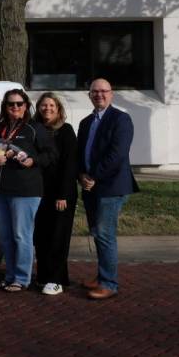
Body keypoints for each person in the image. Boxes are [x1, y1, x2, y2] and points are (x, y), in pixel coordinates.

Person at [77, 78, 139, 300]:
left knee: (105, 235)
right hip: (90, 187)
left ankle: (109, 283)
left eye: (104, 91)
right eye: (95, 91)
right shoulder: (85, 122)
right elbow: (80, 154)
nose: (99, 94)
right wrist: (81, 175)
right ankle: (102, 275)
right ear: (89, 95)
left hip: (110, 187)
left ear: (112, 94)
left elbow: (117, 155)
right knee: (97, 233)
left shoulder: (121, 119)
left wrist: (93, 176)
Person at [0, 89, 56, 292]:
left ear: (26, 106)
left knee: (21, 235)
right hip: (1, 190)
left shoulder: (34, 128)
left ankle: (21, 278)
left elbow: (51, 154)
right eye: (11, 104)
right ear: (5, 107)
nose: (15, 107)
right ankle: (10, 276)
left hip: (25, 190)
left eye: (19, 104)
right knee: (6, 237)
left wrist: (32, 160)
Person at [33, 92, 77, 295]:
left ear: (58, 109)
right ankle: (43, 276)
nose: (47, 109)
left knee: (58, 236)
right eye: (43, 105)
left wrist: (63, 195)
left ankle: (56, 279)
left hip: (60, 193)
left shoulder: (66, 131)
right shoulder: (34, 130)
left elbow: (70, 165)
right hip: (39, 192)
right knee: (41, 236)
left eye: (51, 105)